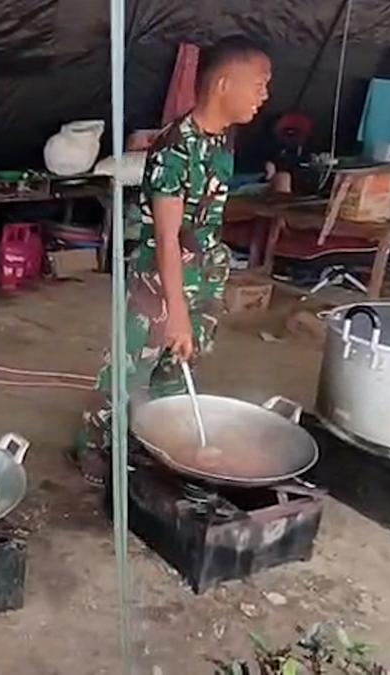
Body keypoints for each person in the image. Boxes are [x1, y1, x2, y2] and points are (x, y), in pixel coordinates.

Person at [74, 36, 272, 480]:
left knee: (175, 370)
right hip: (158, 283)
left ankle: (150, 439)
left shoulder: (222, 140)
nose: (265, 96)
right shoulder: (173, 150)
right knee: (128, 373)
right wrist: (176, 310)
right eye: (259, 84)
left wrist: (201, 295)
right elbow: (165, 238)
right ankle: (94, 448)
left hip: (203, 274)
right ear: (223, 84)